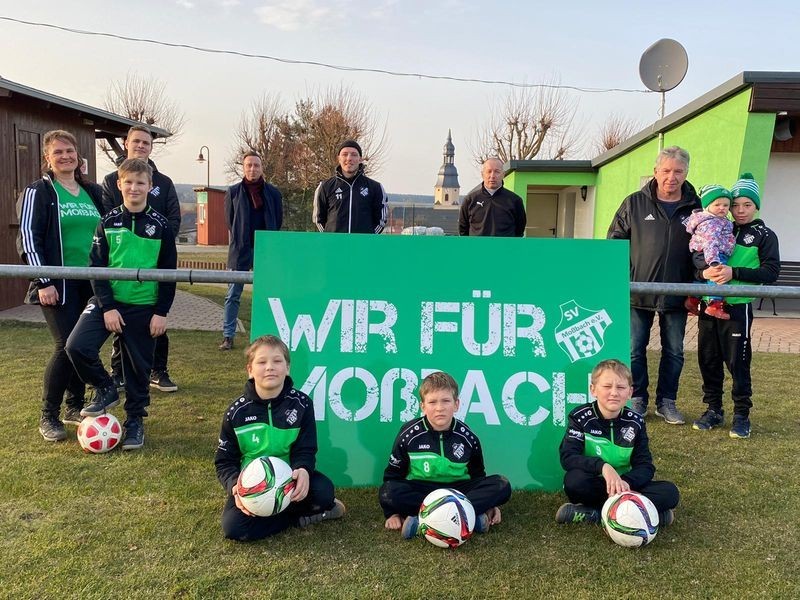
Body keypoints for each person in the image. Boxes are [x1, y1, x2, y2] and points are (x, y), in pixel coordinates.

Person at [65, 158, 177, 450]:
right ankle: (105, 387)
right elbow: (96, 267)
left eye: (141, 183)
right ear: (119, 184)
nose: (134, 187)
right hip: (108, 302)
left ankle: (134, 423)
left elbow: (169, 275)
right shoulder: (108, 221)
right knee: (75, 346)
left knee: (138, 372)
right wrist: (108, 306)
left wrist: (161, 313)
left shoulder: (161, 226)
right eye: (128, 182)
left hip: (144, 308)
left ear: (150, 187)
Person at [17, 130, 104, 441]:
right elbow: (28, 237)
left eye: (70, 151)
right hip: (58, 284)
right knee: (65, 346)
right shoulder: (39, 191)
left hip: (91, 283)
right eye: (59, 152)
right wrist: (44, 279)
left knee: (81, 346)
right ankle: (48, 415)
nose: (66, 156)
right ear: (47, 158)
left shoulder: (91, 192)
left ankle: (74, 406)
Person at [214, 335, 345, 541]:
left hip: (289, 481)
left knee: (324, 491)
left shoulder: (302, 404)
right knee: (234, 528)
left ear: (287, 368)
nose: (269, 367)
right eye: (262, 362)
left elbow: (306, 449)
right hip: (253, 487)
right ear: (250, 370)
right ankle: (296, 518)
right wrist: (235, 487)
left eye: (277, 361)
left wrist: (303, 470)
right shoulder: (236, 413)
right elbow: (224, 462)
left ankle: (280, 514)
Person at [607, 146, 700, 424]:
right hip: (638, 292)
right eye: (667, 170)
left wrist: (695, 287)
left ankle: (666, 402)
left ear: (686, 173)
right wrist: (620, 281)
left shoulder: (696, 209)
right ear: (656, 171)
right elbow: (615, 243)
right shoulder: (634, 204)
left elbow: (704, 251)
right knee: (635, 348)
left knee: (674, 350)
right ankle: (637, 399)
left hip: (678, 295)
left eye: (678, 171)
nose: (672, 177)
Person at [692, 173, 780, 438]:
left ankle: (742, 415)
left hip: (737, 308)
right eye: (735, 205)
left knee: (737, 362)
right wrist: (703, 274)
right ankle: (714, 410)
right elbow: (698, 261)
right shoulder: (719, 226)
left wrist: (735, 273)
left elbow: (771, 272)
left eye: (747, 205)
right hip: (709, 305)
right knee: (707, 360)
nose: (740, 210)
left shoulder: (765, 235)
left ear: (756, 206)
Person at [378, 371, 511, 538]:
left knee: (501, 485)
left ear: (456, 404)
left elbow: (478, 476)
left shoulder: (468, 437)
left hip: (459, 491)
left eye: (446, 401)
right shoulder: (408, 435)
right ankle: (469, 518)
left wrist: (490, 504)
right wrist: (392, 513)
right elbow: (392, 476)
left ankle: (420, 522)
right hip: (423, 491)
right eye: (432, 402)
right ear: (423, 406)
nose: (439, 408)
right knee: (389, 491)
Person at [102, 125, 181, 393]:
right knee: (120, 322)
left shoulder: (165, 182)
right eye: (136, 141)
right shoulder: (112, 179)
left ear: (150, 147)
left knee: (158, 319)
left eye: (146, 143)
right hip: (122, 263)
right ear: (126, 143)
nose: (141, 146)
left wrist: (157, 245)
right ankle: (118, 373)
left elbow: (173, 219)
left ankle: (158, 371)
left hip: (154, 263)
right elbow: (107, 218)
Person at [556, 359, 680, 526]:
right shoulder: (580, 417)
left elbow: (645, 466)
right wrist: (603, 467)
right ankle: (644, 514)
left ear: (629, 392)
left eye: (621, 387)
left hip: (626, 486)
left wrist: (625, 482)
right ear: (593, 390)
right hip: (598, 484)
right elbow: (568, 457)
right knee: (574, 481)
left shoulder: (636, 422)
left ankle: (595, 514)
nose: (614, 392)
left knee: (670, 492)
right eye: (607, 386)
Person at [219, 152, 283, 351]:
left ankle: (267, 337)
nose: (252, 169)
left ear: (262, 167)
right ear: (244, 168)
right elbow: (230, 221)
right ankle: (228, 336)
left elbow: (278, 220)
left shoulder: (273, 193)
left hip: (266, 250)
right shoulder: (234, 192)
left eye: (256, 165)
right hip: (240, 250)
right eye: (249, 165)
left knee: (267, 294)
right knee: (233, 294)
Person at [312, 140, 388, 234]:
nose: (349, 158)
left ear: (360, 159)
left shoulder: (375, 188)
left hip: (362, 246)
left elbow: (381, 220)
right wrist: (330, 238)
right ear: (338, 158)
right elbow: (319, 219)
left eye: (354, 154)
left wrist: (369, 238)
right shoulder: (325, 187)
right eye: (344, 154)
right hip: (334, 246)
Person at [685, 184, 736, 320]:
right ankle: (715, 304)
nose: (722, 208)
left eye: (726, 205)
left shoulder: (716, 220)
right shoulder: (712, 223)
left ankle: (693, 300)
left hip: (702, 253)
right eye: (717, 205)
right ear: (707, 206)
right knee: (718, 276)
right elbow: (710, 242)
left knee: (704, 278)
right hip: (712, 253)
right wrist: (713, 260)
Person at [458, 157, 526, 237]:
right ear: (482, 174)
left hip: (505, 248)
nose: (492, 176)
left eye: (497, 172)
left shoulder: (515, 201)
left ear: (503, 174)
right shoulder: (470, 200)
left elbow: (520, 229)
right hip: (477, 249)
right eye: (489, 171)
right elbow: (463, 230)